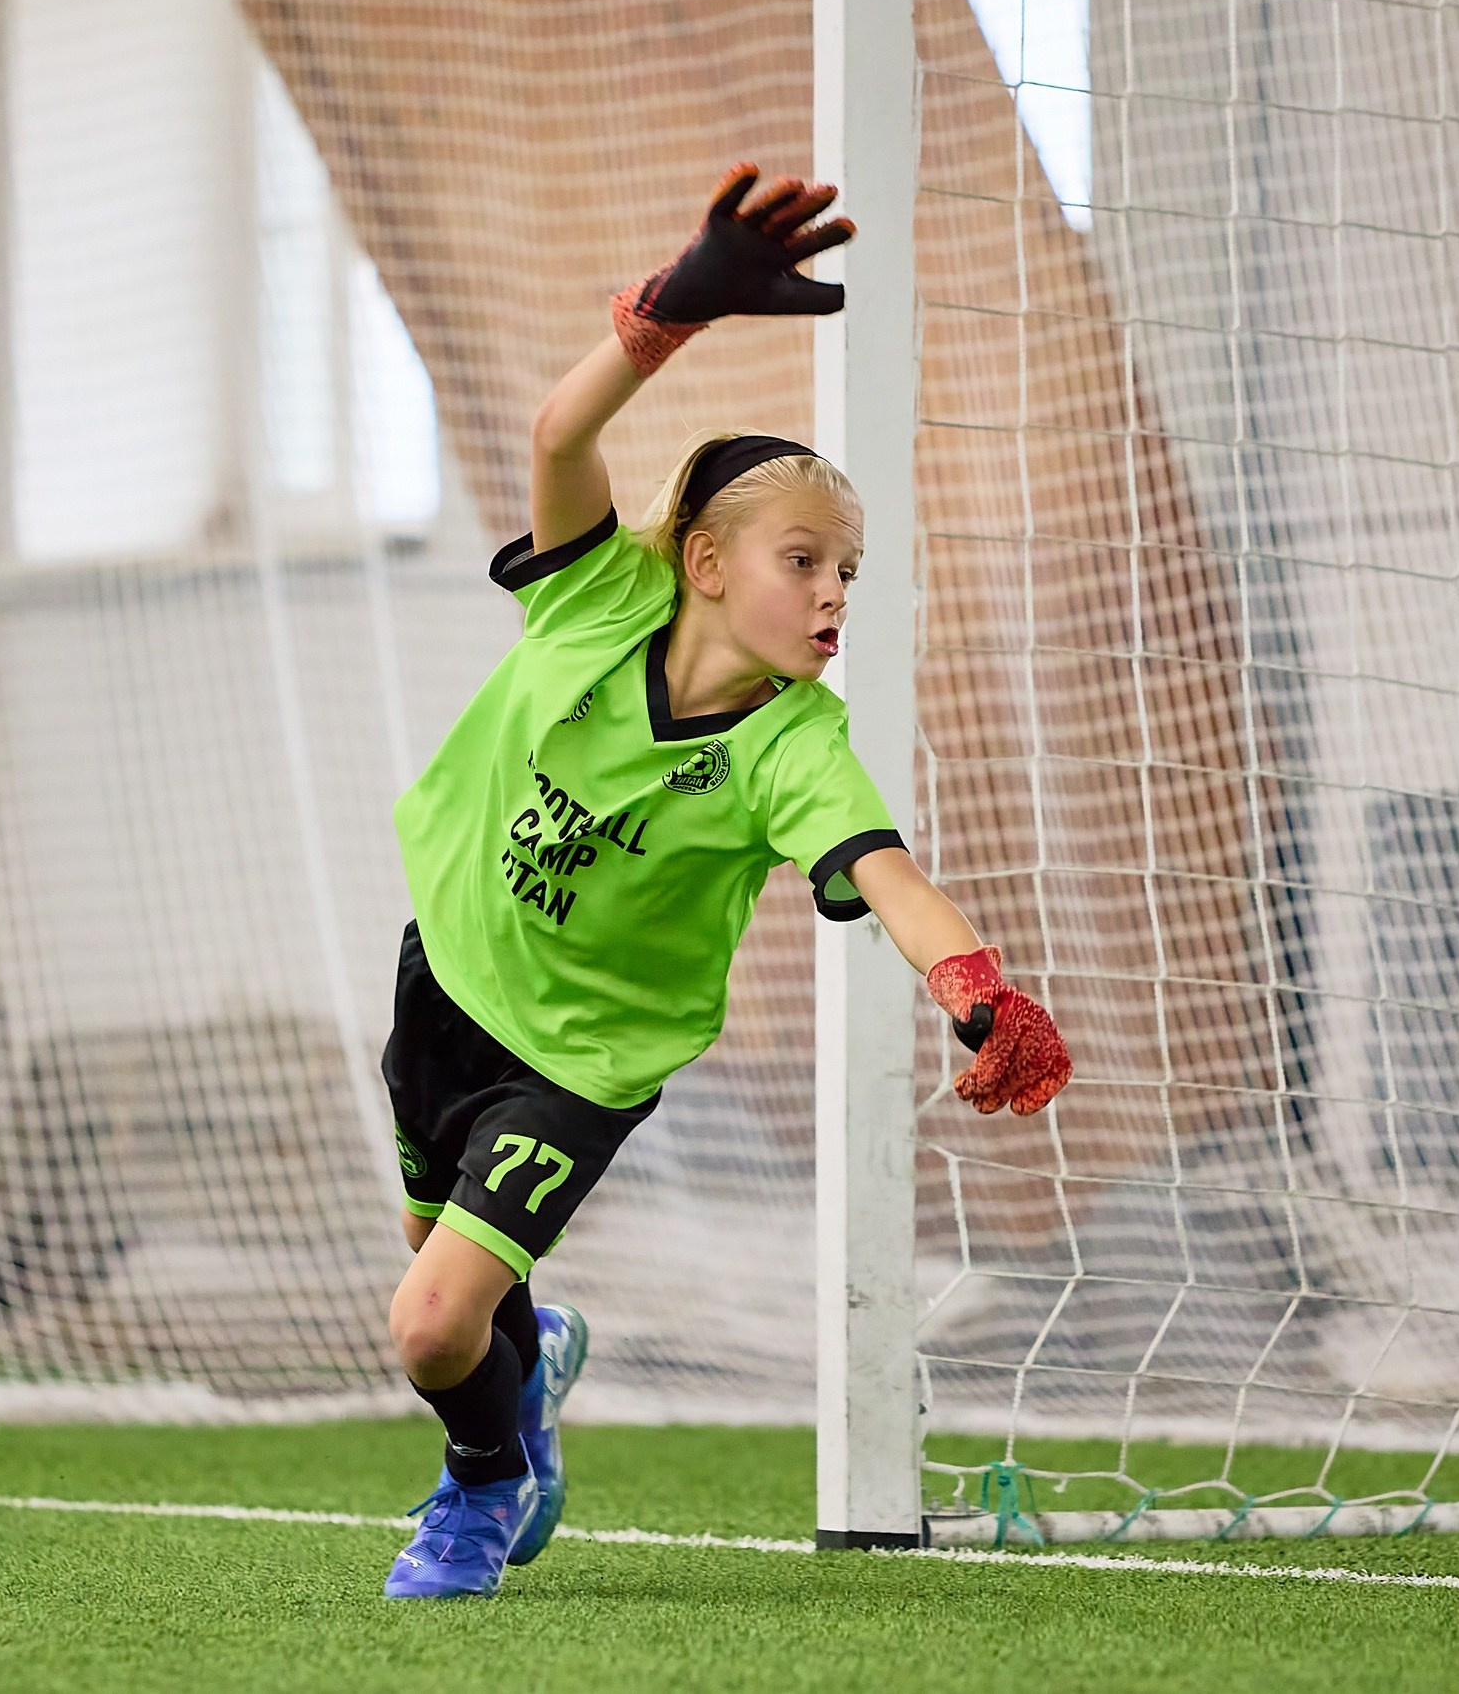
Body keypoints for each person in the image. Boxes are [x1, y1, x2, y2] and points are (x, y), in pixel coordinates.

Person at [378, 166, 1071, 1599]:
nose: (834, 594)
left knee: (430, 1328)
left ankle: (479, 1487)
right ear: (699, 560)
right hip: (443, 976)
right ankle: (534, 1367)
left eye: (850, 574)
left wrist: (976, 988)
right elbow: (563, 429)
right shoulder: (592, 594)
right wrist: (668, 313)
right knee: (460, 1312)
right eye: (804, 558)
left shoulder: (791, 747)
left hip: (581, 1057)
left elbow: (887, 872)